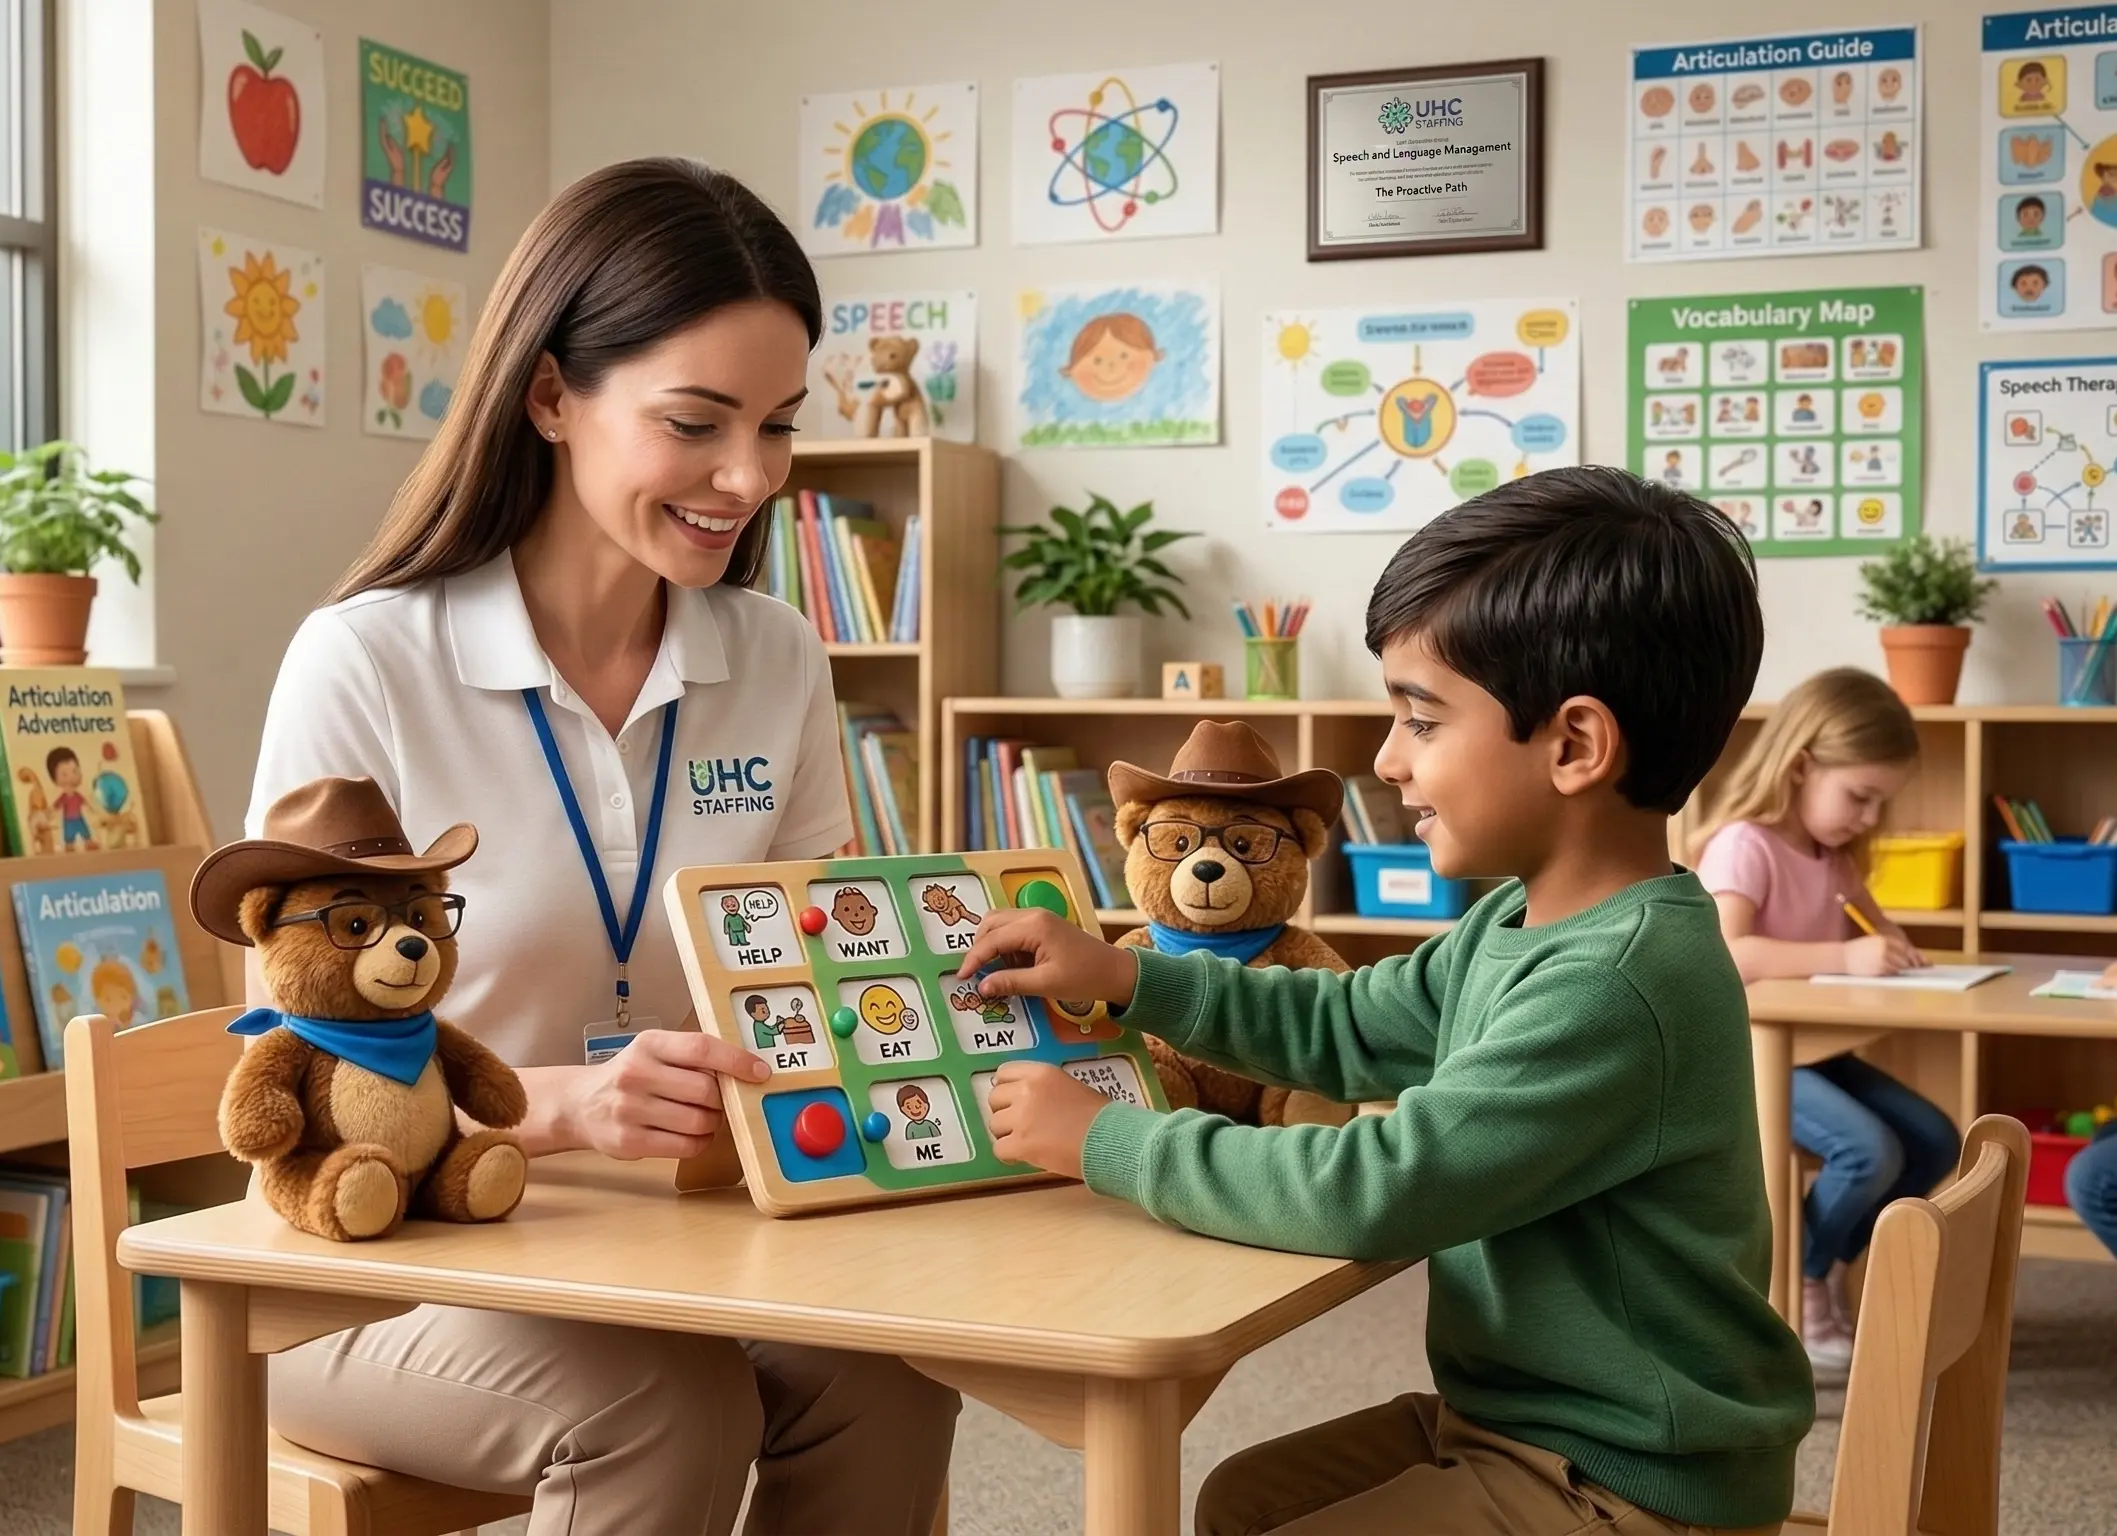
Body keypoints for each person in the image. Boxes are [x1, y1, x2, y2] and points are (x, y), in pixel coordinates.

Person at [239, 157, 956, 1535]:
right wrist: (562, 1107)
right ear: (554, 394)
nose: (750, 477)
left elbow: (808, 971)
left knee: (895, 1374)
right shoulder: (369, 661)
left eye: (778, 426)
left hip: (675, 1237)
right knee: (664, 1409)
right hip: (384, 1247)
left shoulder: (777, 657)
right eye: (696, 422)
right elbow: (293, 1050)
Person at [953, 466, 1812, 1536]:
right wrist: (1129, 977)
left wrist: (1109, 1143)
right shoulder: (1520, 922)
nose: (1385, 760)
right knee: (1238, 1499)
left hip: (1624, 1475)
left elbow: (1377, 1189)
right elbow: (1344, 1023)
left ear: (1575, 746)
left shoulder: (1612, 982)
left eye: (1421, 720)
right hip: (1525, 1417)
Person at [1688, 666, 1960, 1378]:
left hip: (1814, 1048)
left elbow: (1874, 925)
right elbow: (1728, 950)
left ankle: (1822, 1269)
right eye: (1859, 797)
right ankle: (1802, 1285)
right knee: (1868, 1151)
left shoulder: (1827, 853)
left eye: (1879, 803)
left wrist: (1889, 945)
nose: (1867, 819)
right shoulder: (1744, 845)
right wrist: (1846, 953)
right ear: (1801, 764)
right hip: (1747, 1051)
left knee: (1933, 1141)